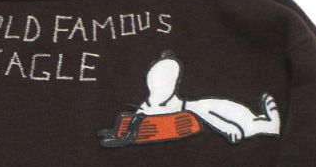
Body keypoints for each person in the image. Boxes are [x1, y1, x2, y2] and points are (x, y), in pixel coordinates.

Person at [98, 50, 281, 146]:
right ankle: (264, 122)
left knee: (243, 121)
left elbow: (208, 116)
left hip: (215, 111)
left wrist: (227, 128)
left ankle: (266, 123)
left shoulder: (194, 108)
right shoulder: (150, 104)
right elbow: (140, 114)